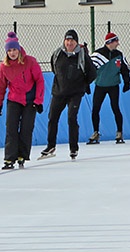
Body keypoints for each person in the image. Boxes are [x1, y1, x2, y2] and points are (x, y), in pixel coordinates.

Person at [40, 29, 96, 160]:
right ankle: (51, 145)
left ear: (76, 42)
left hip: (75, 94)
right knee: (52, 117)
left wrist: (83, 85)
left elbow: (92, 73)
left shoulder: (82, 56)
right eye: (67, 40)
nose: (69, 43)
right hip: (59, 92)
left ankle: (73, 148)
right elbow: (54, 69)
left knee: (71, 118)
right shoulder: (57, 54)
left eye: (72, 40)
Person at [0, 32, 45, 169]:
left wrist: (38, 100)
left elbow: (40, 81)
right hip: (14, 99)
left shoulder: (30, 61)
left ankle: (22, 155)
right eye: (9, 50)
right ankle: (9, 158)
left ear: (19, 49)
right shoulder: (4, 66)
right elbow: (1, 85)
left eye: (14, 50)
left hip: (30, 100)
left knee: (26, 128)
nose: (12, 53)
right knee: (11, 128)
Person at [88, 32, 130, 145]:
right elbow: (89, 70)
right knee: (95, 109)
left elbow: (125, 69)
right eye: (116, 41)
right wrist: (86, 84)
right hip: (100, 86)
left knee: (115, 108)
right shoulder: (97, 55)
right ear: (110, 42)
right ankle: (95, 132)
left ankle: (119, 132)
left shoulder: (119, 55)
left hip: (113, 86)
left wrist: (127, 82)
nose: (118, 43)